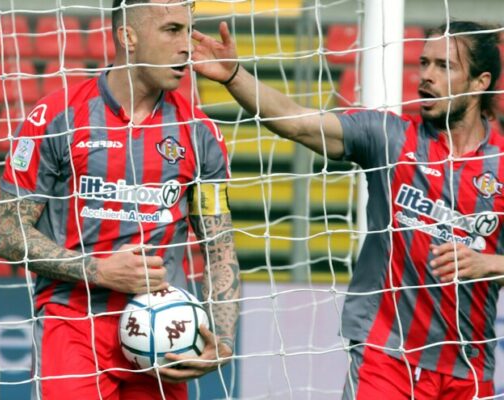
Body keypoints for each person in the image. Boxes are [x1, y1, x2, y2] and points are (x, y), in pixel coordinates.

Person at [192, 19, 502, 399]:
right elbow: (297, 123)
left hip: (467, 368)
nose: (427, 75)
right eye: (424, 62)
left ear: (480, 82)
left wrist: (491, 264)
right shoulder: (389, 137)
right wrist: (234, 76)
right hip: (385, 357)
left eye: (444, 66)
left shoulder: (501, 166)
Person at [0, 0, 240, 398]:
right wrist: (99, 271)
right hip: (74, 322)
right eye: (172, 30)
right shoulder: (57, 117)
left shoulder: (201, 133)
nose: (187, 46)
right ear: (128, 36)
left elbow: (220, 247)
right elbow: (7, 234)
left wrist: (223, 342)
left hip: (165, 331)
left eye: (188, 30)